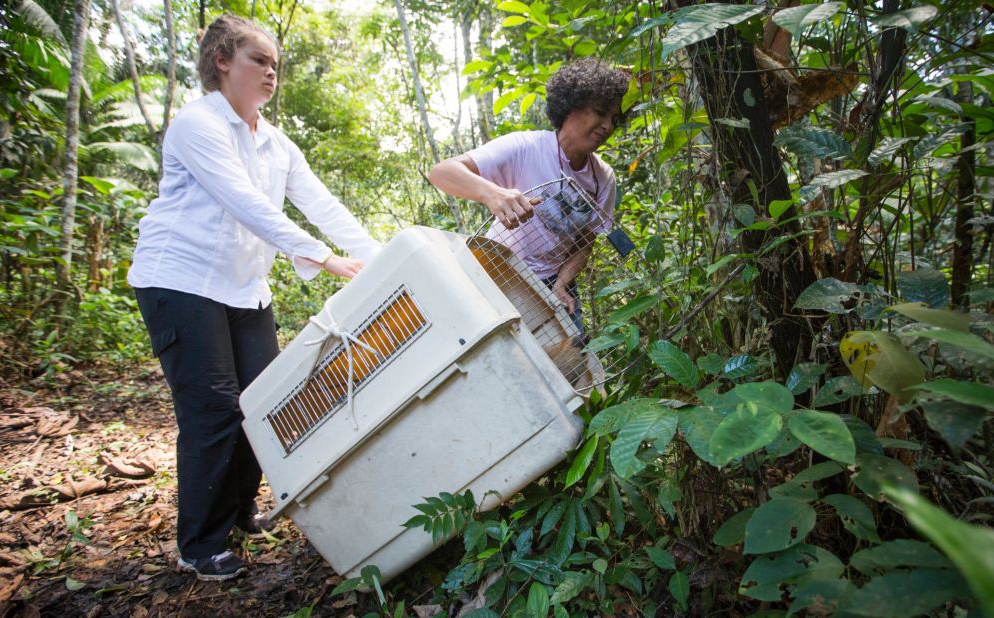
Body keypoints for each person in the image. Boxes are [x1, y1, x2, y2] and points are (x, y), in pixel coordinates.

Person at [127, 13, 381, 582]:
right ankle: (199, 544)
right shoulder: (198, 124)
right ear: (222, 61)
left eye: (275, 64)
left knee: (262, 402)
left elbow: (323, 204)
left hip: (244, 288)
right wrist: (323, 257)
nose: (271, 72)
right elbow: (246, 203)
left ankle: (239, 512)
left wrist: (384, 256)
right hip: (181, 280)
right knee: (214, 410)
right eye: (258, 60)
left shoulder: (276, 143)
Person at [427, 58, 628, 333]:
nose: (607, 126)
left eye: (614, 119)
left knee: (571, 365)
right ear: (571, 105)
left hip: (551, 281)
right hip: (497, 269)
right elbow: (441, 173)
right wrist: (493, 194)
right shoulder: (526, 147)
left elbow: (586, 240)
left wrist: (562, 282)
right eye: (600, 112)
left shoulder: (603, 178)